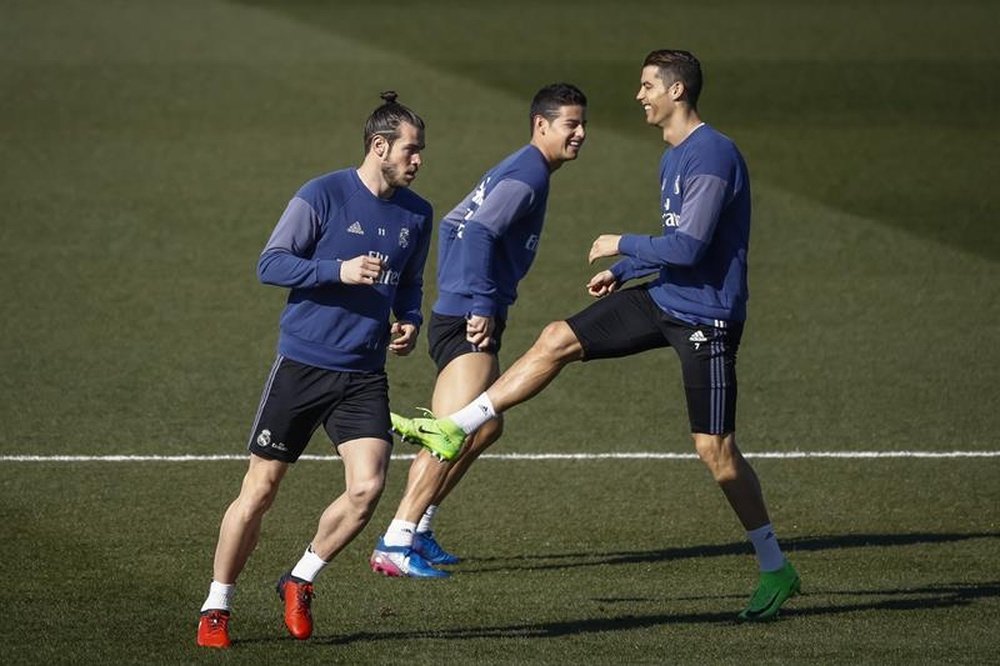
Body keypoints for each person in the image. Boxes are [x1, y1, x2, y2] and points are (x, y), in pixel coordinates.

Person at [393, 50, 801, 621]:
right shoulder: (674, 156)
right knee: (557, 337)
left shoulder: (712, 154)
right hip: (665, 297)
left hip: (706, 318)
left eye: (647, 86)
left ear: (677, 90)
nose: (639, 96)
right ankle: (459, 423)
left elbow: (688, 247)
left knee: (716, 452)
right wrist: (627, 273)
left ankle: (776, 567)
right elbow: (679, 244)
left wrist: (622, 245)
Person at [196, 91, 434, 649]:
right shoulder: (322, 194)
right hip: (303, 365)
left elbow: (413, 280)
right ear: (380, 147)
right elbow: (271, 263)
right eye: (411, 150)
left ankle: (300, 577)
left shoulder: (417, 213)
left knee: (368, 488)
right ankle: (216, 604)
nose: (419, 160)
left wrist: (410, 319)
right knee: (259, 490)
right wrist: (338, 269)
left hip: (364, 374)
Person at [368, 83, 588, 578]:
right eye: (571, 124)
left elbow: (453, 222)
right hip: (469, 316)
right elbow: (481, 229)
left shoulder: (523, 167)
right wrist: (480, 301)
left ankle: (419, 527)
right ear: (542, 125)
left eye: (582, 124)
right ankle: (397, 539)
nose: (581, 134)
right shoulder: (529, 173)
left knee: (485, 425)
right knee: (451, 434)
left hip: (464, 309)